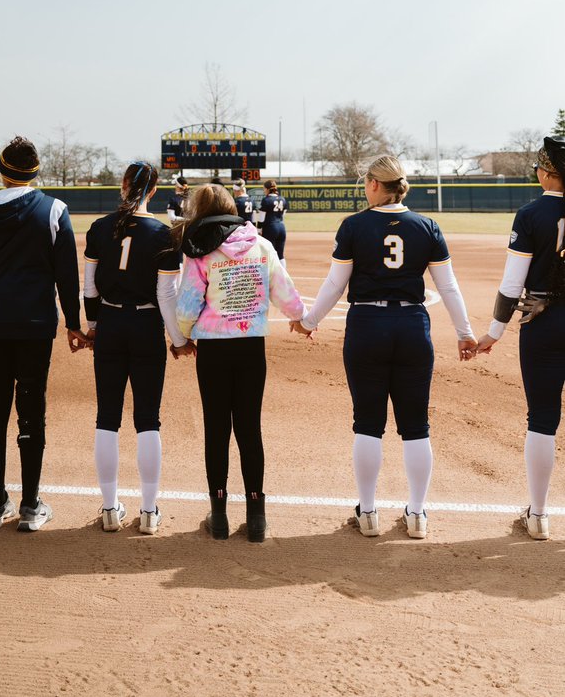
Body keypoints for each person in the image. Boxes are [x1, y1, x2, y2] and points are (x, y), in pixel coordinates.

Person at [295, 154, 477, 540]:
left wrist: (310, 321)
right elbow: (448, 287)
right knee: (416, 425)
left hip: (366, 325)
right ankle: (416, 514)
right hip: (412, 325)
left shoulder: (354, 226)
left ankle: (369, 512)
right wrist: (464, 331)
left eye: (366, 182)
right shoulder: (427, 225)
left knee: (368, 423)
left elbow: (333, 285)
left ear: (376, 185)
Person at [175, 183, 306, 543]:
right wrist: (300, 317)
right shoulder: (261, 245)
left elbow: (186, 306)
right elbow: (286, 293)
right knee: (249, 428)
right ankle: (256, 515)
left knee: (216, 429)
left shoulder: (201, 252)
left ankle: (218, 515)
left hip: (214, 350)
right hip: (251, 348)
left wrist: (182, 337)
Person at [0, 136, 85, 532]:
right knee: (31, 409)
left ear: (2, 172)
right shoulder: (54, 210)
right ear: (36, 172)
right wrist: (72, 322)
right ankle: (31, 505)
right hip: (36, 327)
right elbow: (67, 274)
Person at [83, 161, 189, 534]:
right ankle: (148, 511)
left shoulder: (100, 227)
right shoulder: (165, 233)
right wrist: (177, 340)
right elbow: (166, 295)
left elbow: (90, 288)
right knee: (148, 419)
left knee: (106, 418)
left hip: (110, 323)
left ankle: (110, 509)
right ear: (154, 190)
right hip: (145, 326)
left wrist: (93, 327)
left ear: (124, 185)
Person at [476, 136, 565, 541]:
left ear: (547, 173)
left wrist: (494, 332)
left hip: (543, 324)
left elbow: (512, 285)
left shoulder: (530, 214)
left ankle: (539, 515)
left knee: (543, 420)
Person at [257, 180, 289, 265]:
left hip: (270, 228)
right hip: (281, 227)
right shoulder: (282, 199)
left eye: (264, 189)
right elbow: (283, 215)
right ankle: (283, 276)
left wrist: (259, 229)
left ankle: (269, 276)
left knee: (268, 254)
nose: (264, 190)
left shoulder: (266, 200)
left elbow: (261, 218)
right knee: (280, 255)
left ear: (267, 189)